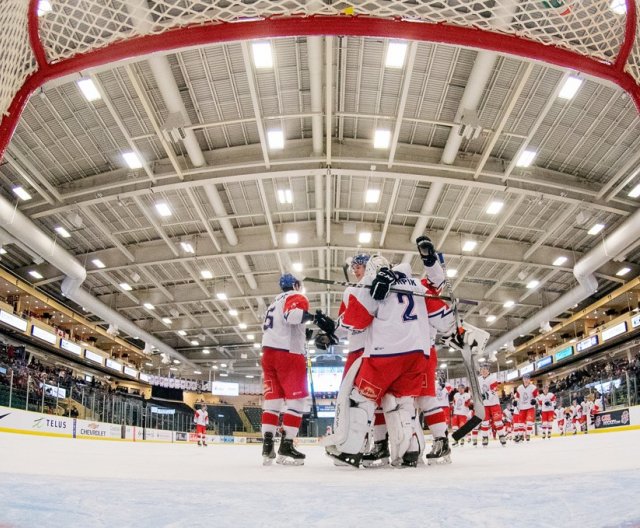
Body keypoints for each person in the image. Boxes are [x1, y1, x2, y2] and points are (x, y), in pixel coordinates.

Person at [325, 255, 430, 468]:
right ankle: (408, 452)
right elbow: (441, 319)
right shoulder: (414, 283)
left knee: (361, 399)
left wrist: (335, 325)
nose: (356, 270)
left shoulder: (371, 284)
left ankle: (350, 450)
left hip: (385, 354)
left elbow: (357, 322)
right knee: (401, 403)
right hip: (418, 353)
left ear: (370, 268)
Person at [260, 273, 314, 465]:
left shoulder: (273, 303)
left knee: (272, 402)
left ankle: (267, 448)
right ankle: (287, 444)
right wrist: (313, 317)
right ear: (296, 285)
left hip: (268, 354)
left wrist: (301, 335)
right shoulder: (297, 296)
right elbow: (293, 317)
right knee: (297, 402)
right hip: (289, 354)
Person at [478, 364, 507, 446]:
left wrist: (485, 395)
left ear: (488, 370)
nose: (483, 371)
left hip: (494, 403)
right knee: (485, 422)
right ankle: (484, 437)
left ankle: (501, 436)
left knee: (498, 421)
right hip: (484, 404)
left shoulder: (493, 377)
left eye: (485, 369)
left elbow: (494, 389)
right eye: (482, 369)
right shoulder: (478, 379)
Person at [514, 375, 538, 441]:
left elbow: (537, 397)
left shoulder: (533, 387)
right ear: (523, 379)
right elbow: (517, 397)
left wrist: (535, 400)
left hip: (530, 407)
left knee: (529, 422)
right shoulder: (519, 388)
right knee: (520, 423)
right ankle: (521, 436)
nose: (526, 380)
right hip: (522, 408)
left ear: (529, 379)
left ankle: (528, 435)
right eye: (525, 379)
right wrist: (515, 401)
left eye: (527, 379)